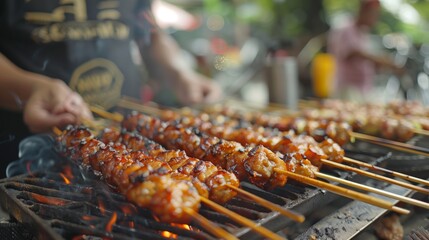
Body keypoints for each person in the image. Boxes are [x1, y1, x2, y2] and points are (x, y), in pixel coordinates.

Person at [0, 0, 222, 178]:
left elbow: (151, 33)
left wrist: (179, 73)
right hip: (33, 146)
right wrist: (29, 89)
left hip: (131, 131)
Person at [327, 0, 403, 101]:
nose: (375, 19)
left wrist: (380, 65)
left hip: (364, 88)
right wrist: (382, 60)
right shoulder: (345, 28)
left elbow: (364, 60)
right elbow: (353, 53)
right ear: (363, 11)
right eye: (373, 14)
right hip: (348, 88)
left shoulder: (363, 32)